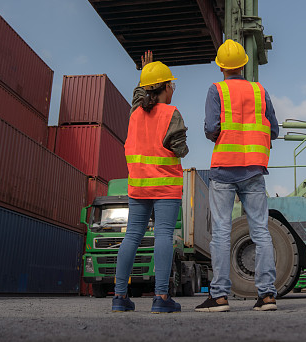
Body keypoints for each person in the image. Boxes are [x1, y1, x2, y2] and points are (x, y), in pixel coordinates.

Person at [196, 40, 279, 312]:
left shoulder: (216, 90)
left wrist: (219, 135)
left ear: (221, 66)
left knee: (221, 232)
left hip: (224, 169)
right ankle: (267, 296)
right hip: (254, 168)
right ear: (244, 63)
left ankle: (219, 296)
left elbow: (211, 128)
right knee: (260, 231)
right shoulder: (259, 91)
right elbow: (274, 130)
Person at [112, 51, 188, 314]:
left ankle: (120, 297)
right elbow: (180, 150)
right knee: (164, 235)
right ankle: (161, 298)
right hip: (165, 187)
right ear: (167, 88)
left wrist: (143, 74)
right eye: (172, 85)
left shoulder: (135, 113)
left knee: (132, 236)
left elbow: (138, 97)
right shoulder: (171, 113)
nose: (173, 89)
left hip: (138, 187)